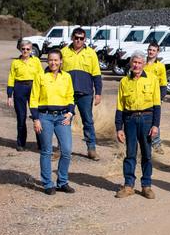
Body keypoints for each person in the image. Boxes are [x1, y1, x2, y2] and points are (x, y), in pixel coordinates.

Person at [115, 51, 161, 199]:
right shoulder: (124, 81)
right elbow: (120, 106)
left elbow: (157, 105)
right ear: (130, 63)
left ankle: (146, 186)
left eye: (139, 63)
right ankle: (128, 185)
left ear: (143, 64)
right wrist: (118, 128)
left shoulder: (152, 79)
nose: (136, 65)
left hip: (147, 118)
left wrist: (155, 125)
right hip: (130, 120)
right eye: (134, 62)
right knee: (130, 154)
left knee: (147, 154)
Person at [30, 49, 75, 195]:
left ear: (61, 61)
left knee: (67, 150)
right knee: (46, 151)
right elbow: (33, 99)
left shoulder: (67, 77)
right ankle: (48, 183)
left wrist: (70, 113)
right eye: (50, 60)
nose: (53, 63)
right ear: (47, 61)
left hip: (62, 117)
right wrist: (36, 119)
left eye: (56, 60)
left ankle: (62, 182)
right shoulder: (40, 76)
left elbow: (70, 96)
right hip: (45, 117)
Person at [61, 27, 102, 160]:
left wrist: (98, 93)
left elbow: (96, 75)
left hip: (86, 93)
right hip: (67, 94)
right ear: (72, 38)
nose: (78, 40)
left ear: (85, 39)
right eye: (76, 37)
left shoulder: (91, 53)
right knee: (65, 121)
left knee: (88, 121)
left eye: (81, 38)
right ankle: (64, 149)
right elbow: (55, 70)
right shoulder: (64, 52)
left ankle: (92, 149)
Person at [7, 40, 44, 151]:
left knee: (37, 116)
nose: (25, 51)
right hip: (19, 88)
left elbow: (41, 75)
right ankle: (21, 143)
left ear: (31, 50)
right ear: (20, 49)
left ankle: (41, 143)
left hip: (33, 87)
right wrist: (9, 95)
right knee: (21, 117)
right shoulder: (15, 63)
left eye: (28, 49)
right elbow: (11, 78)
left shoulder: (36, 61)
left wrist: (43, 89)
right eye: (23, 49)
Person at [144, 41, 167, 153]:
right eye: (149, 50)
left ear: (157, 52)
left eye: (153, 50)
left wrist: (161, 98)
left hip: (155, 98)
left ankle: (156, 144)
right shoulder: (142, 63)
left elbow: (163, 85)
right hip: (142, 97)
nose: (151, 52)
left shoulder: (161, 66)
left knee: (155, 121)